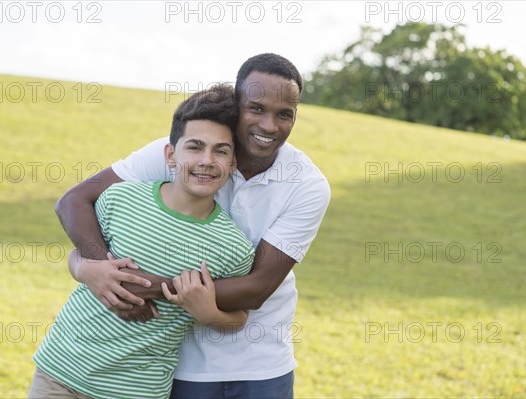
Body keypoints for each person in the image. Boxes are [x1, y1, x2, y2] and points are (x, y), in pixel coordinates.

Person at [57, 53, 331, 399]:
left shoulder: (307, 184)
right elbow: (76, 200)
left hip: (261, 363)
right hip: (181, 361)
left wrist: (143, 287)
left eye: (285, 114)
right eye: (256, 108)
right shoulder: (185, 152)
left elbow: (258, 287)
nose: (269, 126)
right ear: (237, 102)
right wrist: (95, 266)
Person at [28, 84, 255, 399]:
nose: (207, 160)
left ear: (233, 164)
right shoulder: (120, 198)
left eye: (221, 151)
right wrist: (83, 269)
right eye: (195, 147)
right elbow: (78, 254)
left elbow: (239, 318)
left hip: (136, 390)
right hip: (60, 372)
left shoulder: (233, 248)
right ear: (171, 155)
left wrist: (209, 314)